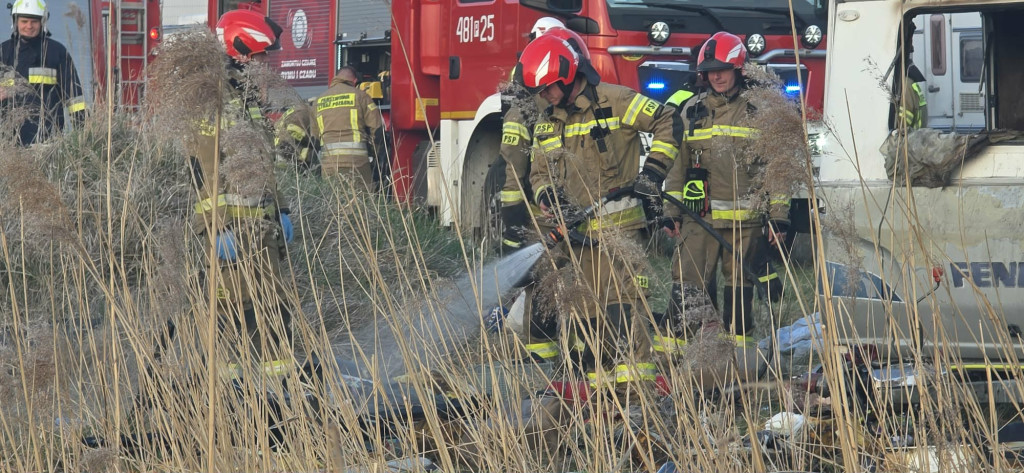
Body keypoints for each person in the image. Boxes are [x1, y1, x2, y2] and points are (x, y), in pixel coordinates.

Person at [516, 34, 682, 388]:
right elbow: (539, 171)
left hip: (619, 234)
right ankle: (599, 400)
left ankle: (637, 401)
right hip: (576, 240)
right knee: (583, 318)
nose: (544, 96)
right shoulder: (548, 120)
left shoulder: (615, 99)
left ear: (566, 74)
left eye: (547, 88)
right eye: (540, 91)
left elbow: (668, 120)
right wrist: (550, 197)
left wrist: (653, 173)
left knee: (622, 310)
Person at [662, 32, 791, 344]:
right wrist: (671, 212)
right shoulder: (690, 109)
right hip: (697, 219)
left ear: (739, 69)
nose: (716, 75)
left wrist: (779, 216)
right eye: (710, 70)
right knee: (688, 284)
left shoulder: (761, 112)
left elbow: (778, 169)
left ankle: (739, 357)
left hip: (743, 222)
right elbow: (676, 164)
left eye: (723, 68)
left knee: (740, 288)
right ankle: (679, 355)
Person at [190, 9, 294, 369]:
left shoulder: (249, 101)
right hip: (231, 234)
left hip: (263, 232)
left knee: (276, 313)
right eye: (262, 55)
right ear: (242, 52)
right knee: (235, 317)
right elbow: (201, 169)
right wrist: (216, 227)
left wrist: (282, 210)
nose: (268, 63)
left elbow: (264, 165)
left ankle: (279, 396)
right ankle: (234, 401)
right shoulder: (211, 98)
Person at [497, 26, 588, 363]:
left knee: (569, 284)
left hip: (567, 214)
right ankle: (546, 359)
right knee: (547, 286)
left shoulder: (563, 108)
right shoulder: (528, 113)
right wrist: (512, 231)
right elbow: (516, 173)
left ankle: (568, 352)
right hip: (544, 216)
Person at [1, 0, 86, 146]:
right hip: (8, 139)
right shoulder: (3, 52)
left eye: (34, 21)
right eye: (24, 21)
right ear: (15, 22)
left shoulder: (56, 52)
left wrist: (83, 131)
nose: (29, 26)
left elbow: (74, 96)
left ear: (43, 22)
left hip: (48, 138)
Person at [314, 65, 384, 188]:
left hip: (329, 165)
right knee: (362, 200)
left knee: (333, 202)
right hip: (357, 163)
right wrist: (376, 156)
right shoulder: (361, 96)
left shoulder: (318, 101)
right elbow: (377, 130)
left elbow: (314, 137)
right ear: (355, 81)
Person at [274, 98, 320, 174]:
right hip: (287, 156)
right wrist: (311, 142)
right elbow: (293, 130)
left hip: (279, 152)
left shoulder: (294, 110)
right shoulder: (304, 113)